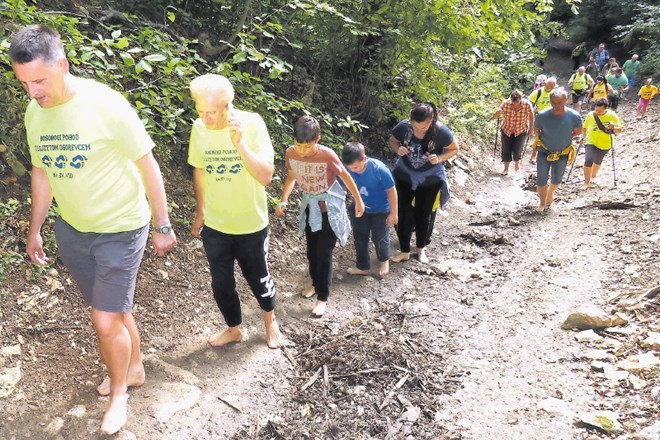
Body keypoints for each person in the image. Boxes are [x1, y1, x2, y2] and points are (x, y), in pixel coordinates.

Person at [9, 25, 177, 435]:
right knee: (115, 310)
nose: (33, 92)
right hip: (74, 228)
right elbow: (42, 171)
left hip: (122, 226)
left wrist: (163, 223)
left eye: (39, 81)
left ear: (62, 65)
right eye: (24, 83)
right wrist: (36, 230)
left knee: (103, 321)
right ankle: (134, 367)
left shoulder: (107, 105)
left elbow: (147, 164)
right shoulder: (35, 112)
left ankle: (120, 393)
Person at [187, 74, 283, 349]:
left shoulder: (252, 123)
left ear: (228, 104)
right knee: (221, 283)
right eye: (200, 111)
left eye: (211, 112)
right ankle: (234, 329)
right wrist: (200, 210)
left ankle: (270, 320)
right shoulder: (198, 128)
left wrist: (240, 144)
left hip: (250, 223)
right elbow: (200, 168)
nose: (205, 118)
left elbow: (265, 176)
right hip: (216, 225)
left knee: (259, 278)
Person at [275, 116, 365, 318]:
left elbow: (345, 176)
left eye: (306, 147)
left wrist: (358, 200)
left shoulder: (327, 155)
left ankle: (322, 297)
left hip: (329, 209)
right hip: (310, 207)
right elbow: (291, 176)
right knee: (311, 251)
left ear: (317, 139)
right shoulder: (291, 152)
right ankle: (315, 283)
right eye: (298, 145)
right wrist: (283, 200)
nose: (301, 151)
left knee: (324, 253)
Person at [388, 102, 459, 263]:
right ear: (411, 120)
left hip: (430, 178)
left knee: (424, 214)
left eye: (423, 128)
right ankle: (404, 250)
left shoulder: (441, 132)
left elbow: (454, 149)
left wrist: (440, 158)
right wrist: (398, 149)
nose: (418, 131)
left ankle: (421, 250)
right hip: (404, 175)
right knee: (402, 213)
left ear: (432, 121)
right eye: (415, 127)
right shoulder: (403, 127)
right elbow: (393, 141)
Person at [341, 142, 398, 278]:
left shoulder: (379, 169)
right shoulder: (347, 169)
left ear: (364, 159)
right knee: (360, 237)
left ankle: (384, 261)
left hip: (381, 210)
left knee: (380, 236)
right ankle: (363, 266)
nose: (353, 170)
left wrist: (394, 213)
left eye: (356, 167)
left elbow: (391, 191)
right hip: (360, 208)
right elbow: (343, 186)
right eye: (350, 168)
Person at [532, 88, 583, 212]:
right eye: (554, 102)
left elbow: (578, 131)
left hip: (563, 152)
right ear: (550, 101)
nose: (556, 105)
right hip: (544, 150)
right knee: (541, 178)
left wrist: (565, 136)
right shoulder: (542, 115)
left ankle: (550, 192)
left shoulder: (574, 116)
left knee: (557, 179)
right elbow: (536, 129)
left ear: (566, 100)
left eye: (559, 102)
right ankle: (542, 203)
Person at [580, 98, 623, 190]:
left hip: (605, 142)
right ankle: (586, 182)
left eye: (600, 111)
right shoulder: (591, 115)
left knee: (597, 161)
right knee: (588, 159)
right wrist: (583, 137)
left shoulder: (612, 115)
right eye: (596, 110)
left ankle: (593, 175)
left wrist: (613, 128)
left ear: (606, 108)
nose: (598, 112)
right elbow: (584, 127)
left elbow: (620, 130)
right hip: (591, 141)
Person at [494, 90, 534, 175]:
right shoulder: (506, 103)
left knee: (518, 148)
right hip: (506, 129)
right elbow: (496, 115)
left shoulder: (527, 104)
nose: (515, 104)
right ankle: (506, 169)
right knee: (506, 149)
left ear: (521, 99)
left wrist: (531, 129)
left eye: (517, 102)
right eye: (513, 102)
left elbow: (531, 117)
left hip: (521, 129)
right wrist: (498, 112)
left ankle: (517, 163)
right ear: (511, 99)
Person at [528, 76, 558, 164]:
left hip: (552, 117)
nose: (550, 87)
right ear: (545, 83)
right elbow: (530, 105)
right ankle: (534, 156)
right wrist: (533, 110)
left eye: (552, 86)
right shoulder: (537, 92)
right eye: (549, 85)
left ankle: (546, 154)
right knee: (539, 136)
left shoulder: (555, 94)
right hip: (539, 117)